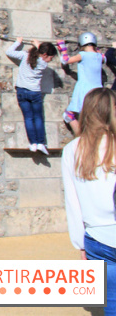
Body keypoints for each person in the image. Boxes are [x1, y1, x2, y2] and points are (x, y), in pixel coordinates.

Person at [62, 88, 116, 314]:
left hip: (97, 236)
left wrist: (80, 244)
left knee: (111, 303)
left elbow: (72, 203)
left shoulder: (72, 150)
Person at [6, 38, 58, 154]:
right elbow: (41, 53)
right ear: (45, 55)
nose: (50, 60)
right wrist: (38, 44)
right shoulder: (43, 64)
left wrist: (18, 42)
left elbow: (9, 52)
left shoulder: (26, 55)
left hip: (21, 91)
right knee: (38, 118)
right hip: (34, 93)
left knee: (28, 118)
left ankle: (33, 143)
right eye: (51, 57)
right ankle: (41, 143)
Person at [60, 32, 105, 136]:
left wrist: (62, 47)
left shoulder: (83, 55)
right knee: (93, 119)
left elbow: (65, 60)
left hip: (84, 90)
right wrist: (97, 50)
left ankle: (81, 139)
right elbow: (104, 58)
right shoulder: (99, 56)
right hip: (98, 91)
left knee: (69, 115)